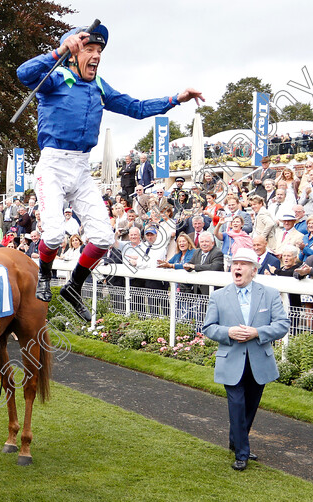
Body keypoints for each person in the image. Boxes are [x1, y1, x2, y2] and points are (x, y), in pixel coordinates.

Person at [16, 23, 203, 321]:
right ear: (75, 53)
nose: (96, 56)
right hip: (52, 164)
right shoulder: (55, 78)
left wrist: (174, 99)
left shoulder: (99, 86)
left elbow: (136, 108)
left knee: (103, 238)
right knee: (52, 235)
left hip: (81, 167)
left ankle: (74, 285)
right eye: (89, 49)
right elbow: (23, 74)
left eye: (99, 51)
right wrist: (61, 50)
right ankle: (46, 275)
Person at [202, 248, 290, 471]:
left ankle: (236, 440)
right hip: (231, 360)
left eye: (243, 264)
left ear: (254, 270)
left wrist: (258, 332)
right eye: (235, 264)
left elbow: (282, 325)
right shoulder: (218, 296)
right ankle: (242, 452)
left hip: (259, 361)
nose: (237, 267)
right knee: (237, 406)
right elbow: (209, 328)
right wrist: (228, 332)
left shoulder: (269, 294)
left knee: (249, 408)